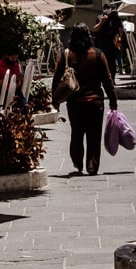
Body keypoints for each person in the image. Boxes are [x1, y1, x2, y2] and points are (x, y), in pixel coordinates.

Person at [51, 23, 118, 177]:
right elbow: (108, 80)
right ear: (89, 36)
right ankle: (92, 166)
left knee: (76, 134)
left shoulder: (67, 55)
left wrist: (55, 100)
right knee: (94, 135)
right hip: (95, 102)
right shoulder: (98, 54)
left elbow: (56, 79)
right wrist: (113, 101)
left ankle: (77, 162)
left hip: (75, 103)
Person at [92, 6, 126, 76]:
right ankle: (108, 77)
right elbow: (94, 29)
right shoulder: (100, 18)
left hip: (112, 43)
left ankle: (113, 77)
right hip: (103, 43)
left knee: (113, 60)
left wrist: (118, 42)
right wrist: (102, 22)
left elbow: (120, 30)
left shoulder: (115, 18)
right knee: (107, 61)